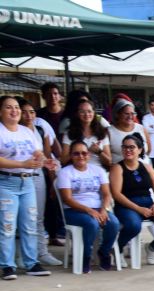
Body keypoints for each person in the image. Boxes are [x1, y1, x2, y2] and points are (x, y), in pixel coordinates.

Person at [0, 95, 55, 280]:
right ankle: (7, 265)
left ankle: (31, 262)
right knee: (7, 226)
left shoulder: (26, 131)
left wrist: (44, 161)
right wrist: (21, 163)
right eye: (9, 107)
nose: (14, 111)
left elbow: (37, 152)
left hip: (28, 182)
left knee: (29, 223)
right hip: (6, 183)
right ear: (1, 112)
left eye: (16, 107)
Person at [110, 134, 154, 266]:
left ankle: (152, 247)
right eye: (125, 147)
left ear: (140, 150)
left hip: (147, 201)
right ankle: (117, 248)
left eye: (132, 147)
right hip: (126, 205)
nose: (128, 150)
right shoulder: (117, 168)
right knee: (134, 226)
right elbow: (116, 194)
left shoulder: (147, 167)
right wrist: (138, 209)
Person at [56, 140, 121, 273]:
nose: (81, 156)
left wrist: (104, 209)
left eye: (84, 153)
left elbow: (107, 194)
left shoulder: (98, 170)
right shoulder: (65, 172)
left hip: (97, 208)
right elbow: (67, 199)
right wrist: (89, 211)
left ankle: (104, 252)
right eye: (76, 153)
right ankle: (86, 256)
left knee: (114, 223)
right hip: (73, 211)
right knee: (92, 223)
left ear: (89, 155)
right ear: (71, 156)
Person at [17, 98, 62, 267]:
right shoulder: (12, 132)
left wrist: (52, 182)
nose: (29, 115)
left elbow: (47, 157)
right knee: (21, 218)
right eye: (25, 112)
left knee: (38, 217)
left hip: (38, 177)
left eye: (32, 112)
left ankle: (42, 252)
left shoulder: (40, 130)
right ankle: (21, 254)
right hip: (18, 177)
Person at [61, 99, 112, 170]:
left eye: (89, 111)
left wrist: (99, 152)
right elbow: (63, 160)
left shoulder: (101, 133)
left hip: (98, 171)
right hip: (76, 171)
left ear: (94, 113)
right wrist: (84, 151)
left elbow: (109, 162)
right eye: (82, 112)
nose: (86, 114)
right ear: (77, 113)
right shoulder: (69, 133)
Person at [108, 99, 150, 165]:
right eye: (126, 114)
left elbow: (149, 150)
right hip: (119, 171)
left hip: (143, 169)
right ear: (118, 114)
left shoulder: (141, 128)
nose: (130, 116)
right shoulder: (109, 132)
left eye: (132, 113)